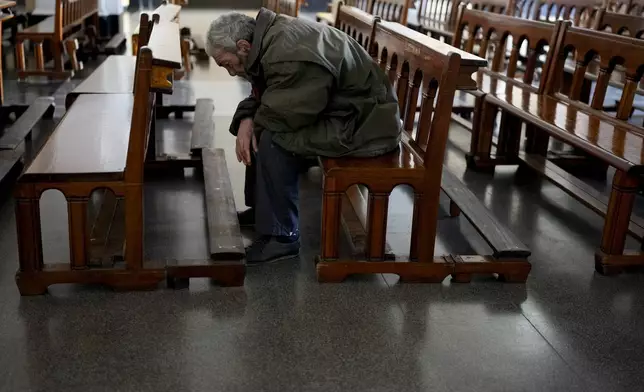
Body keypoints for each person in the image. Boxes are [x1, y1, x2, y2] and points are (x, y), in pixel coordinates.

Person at [205, 9, 401, 264]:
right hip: (345, 113)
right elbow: (270, 94)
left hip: (363, 126)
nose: (231, 73)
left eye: (228, 64)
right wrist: (246, 118)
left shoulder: (285, 53)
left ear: (243, 46)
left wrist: (252, 122)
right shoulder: (268, 41)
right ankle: (262, 211)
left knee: (275, 140)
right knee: (262, 132)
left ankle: (283, 236)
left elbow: (288, 113)